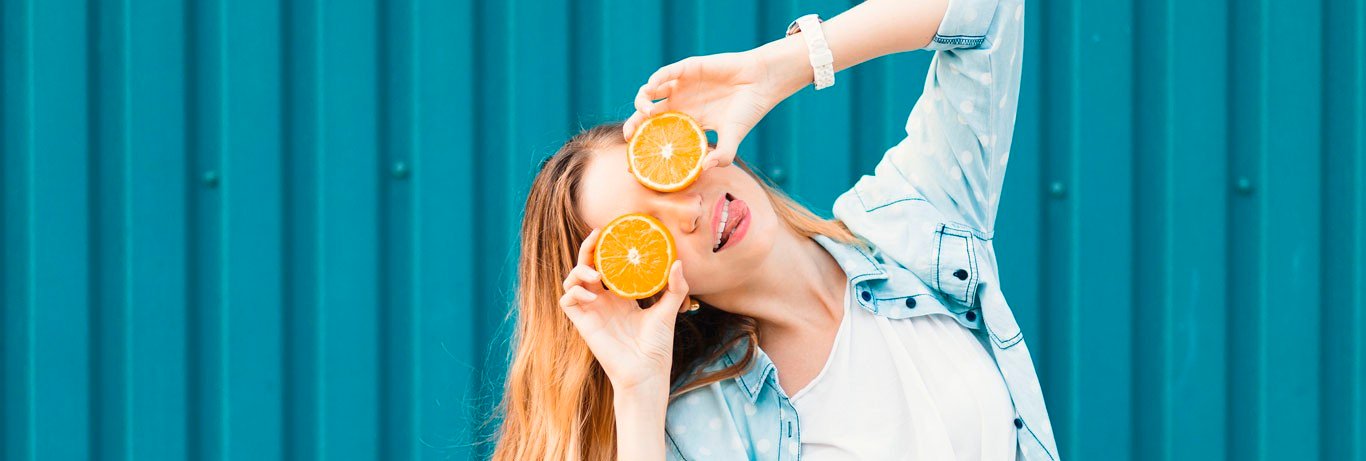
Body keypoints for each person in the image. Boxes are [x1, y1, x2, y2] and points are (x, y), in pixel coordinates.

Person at [493, 0, 1058, 459]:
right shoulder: (703, 424)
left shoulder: (911, 225)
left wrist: (784, 66)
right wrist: (638, 396)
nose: (688, 211)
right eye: (645, 232)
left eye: (666, 173)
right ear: (645, 288)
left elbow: (988, 13)